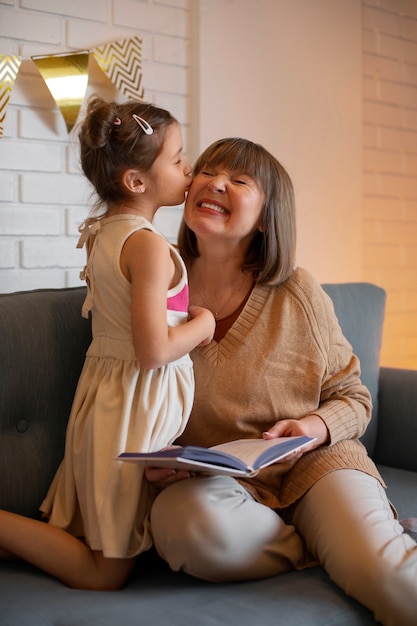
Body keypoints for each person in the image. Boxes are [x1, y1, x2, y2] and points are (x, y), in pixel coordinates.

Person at [145, 137, 417, 626]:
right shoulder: (154, 281)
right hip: (218, 486)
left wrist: (314, 426)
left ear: (268, 217)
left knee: (394, 583)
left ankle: (356, 544)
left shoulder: (298, 292)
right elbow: (132, 393)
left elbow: (353, 395)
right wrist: (162, 460)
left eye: (240, 180)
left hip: (316, 467)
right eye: (206, 171)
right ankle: (326, 546)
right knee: (183, 529)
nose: (215, 182)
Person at [0, 97, 215, 590]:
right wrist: (204, 324)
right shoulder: (147, 246)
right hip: (131, 415)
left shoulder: (107, 234)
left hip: (113, 401)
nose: (189, 167)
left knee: (100, 537)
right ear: (137, 182)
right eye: (178, 158)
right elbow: (153, 350)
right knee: (106, 573)